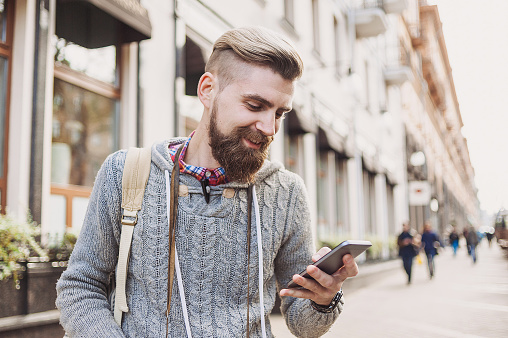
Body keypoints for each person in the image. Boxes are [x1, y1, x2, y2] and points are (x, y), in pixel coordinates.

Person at [56, 26, 359, 337]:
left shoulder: (287, 191)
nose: (269, 127)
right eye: (255, 106)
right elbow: (81, 286)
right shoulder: (125, 173)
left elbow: (301, 320)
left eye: (279, 113)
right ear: (207, 89)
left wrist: (323, 300)